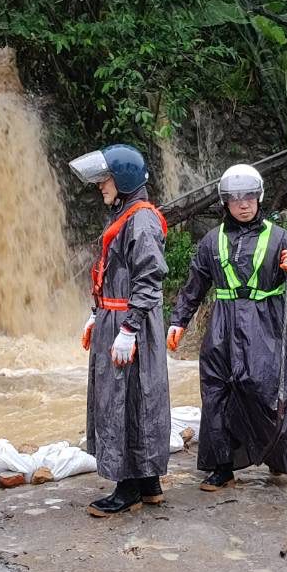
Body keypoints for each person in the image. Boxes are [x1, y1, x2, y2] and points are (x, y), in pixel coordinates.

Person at [167, 164, 287, 489]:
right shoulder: (211, 241)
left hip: (266, 327)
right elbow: (195, 285)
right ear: (225, 203)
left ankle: (279, 456)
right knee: (218, 393)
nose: (244, 204)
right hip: (222, 328)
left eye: (249, 197)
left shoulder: (279, 238)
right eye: (236, 199)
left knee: (266, 392)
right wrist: (178, 322)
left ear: (258, 199)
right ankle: (222, 466)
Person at [70, 143, 172, 517]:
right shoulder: (128, 214)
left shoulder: (140, 219)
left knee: (123, 399)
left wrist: (127, 328)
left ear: (125, 179)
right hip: (119, 316)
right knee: (138, 397)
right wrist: (99, 314)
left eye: (106, 179)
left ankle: (127, 485)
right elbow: (118, 273)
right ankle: (149, 483)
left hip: (132, 322)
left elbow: (150, 276)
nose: (101, 185)